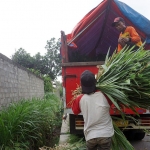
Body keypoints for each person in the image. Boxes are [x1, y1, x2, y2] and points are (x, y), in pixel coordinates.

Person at [72, 70, 114, 150]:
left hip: (90, 136)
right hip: (105, 134)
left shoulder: (79, 99)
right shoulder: (105, 95)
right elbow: (110, 103)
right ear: (95, 82)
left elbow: (75, 111)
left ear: (81, 84)